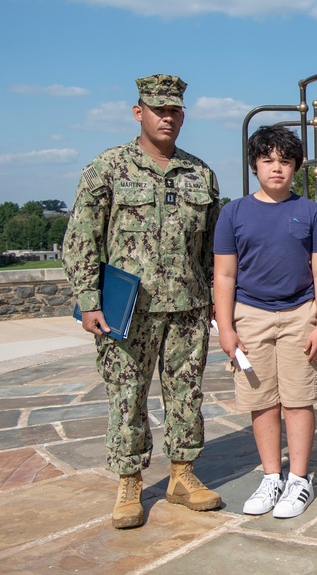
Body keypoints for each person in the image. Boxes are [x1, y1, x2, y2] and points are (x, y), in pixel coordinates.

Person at [63, 74, 221, 529]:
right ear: (139, 113)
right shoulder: (107, 168)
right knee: (126, 396)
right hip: (125, 310)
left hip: (187, 306)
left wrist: (214, 299)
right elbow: (81, 240)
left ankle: (181, 474)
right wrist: (89, 301)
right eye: (158, 109)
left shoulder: (200, 173)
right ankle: (129, 480)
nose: (167, 117)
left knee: (186, 394)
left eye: (175, 111)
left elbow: (211, 247)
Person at [213, 126, 317, 519]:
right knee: (261, 400)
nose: (276, 168)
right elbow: (225, 275)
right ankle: (272, 475)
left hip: (301, 313)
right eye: (268, 160)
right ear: (254, 166)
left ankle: (299, 479)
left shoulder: (310, 212)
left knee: (298, 399)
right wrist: (226, 326)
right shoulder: (233, 213)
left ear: (296, 166)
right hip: (250, 315)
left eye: (284, 161)